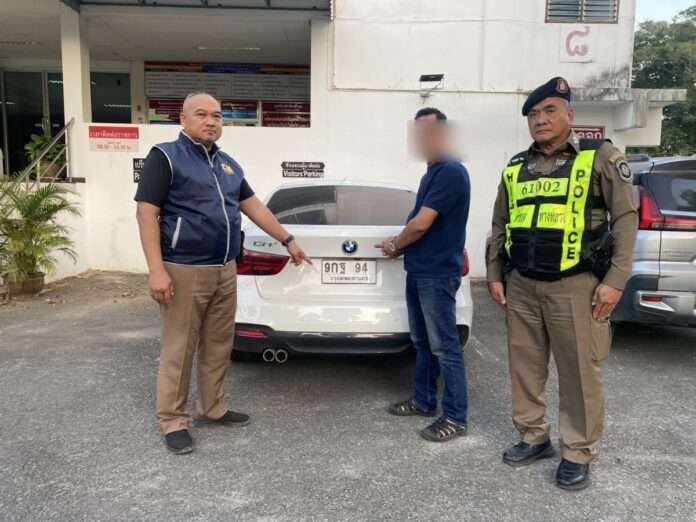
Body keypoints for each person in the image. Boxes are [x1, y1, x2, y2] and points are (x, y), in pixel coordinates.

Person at [135, 92, 311, 454]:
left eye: (217, 116)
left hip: (225, 269)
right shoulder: (165, 157)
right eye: (201, 114)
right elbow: (146, 213)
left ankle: (213, 408)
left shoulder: (228, 165)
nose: (211, 121)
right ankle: (173, 420)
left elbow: (254, 206)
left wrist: (288, 239)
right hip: (184, 268)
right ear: (183, 118)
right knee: (180, 347)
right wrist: (156, 270)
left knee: (219, 344)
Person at [486, 77, 638, 490]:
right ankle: (533, 436)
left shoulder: (600, 156)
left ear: (570, 114)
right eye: (534, 114)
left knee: (579, 373)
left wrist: (616, 280)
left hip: (577, 285)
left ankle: (578, 451)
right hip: (522, 285)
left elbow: (626, 217)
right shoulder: (516, 166)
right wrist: (495, 272)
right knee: (525, 368)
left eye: (550, 110)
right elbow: (500, 223)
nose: (541, 119)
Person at [378, 107, 471, 443]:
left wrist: (395, 244)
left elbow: (421, 224)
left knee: (444, 346)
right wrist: (402, 248)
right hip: (420, 270)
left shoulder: (450, 172)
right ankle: (424, 400)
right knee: (423, 343)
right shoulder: (432, 173)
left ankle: (456, 417)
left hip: (437, 274)